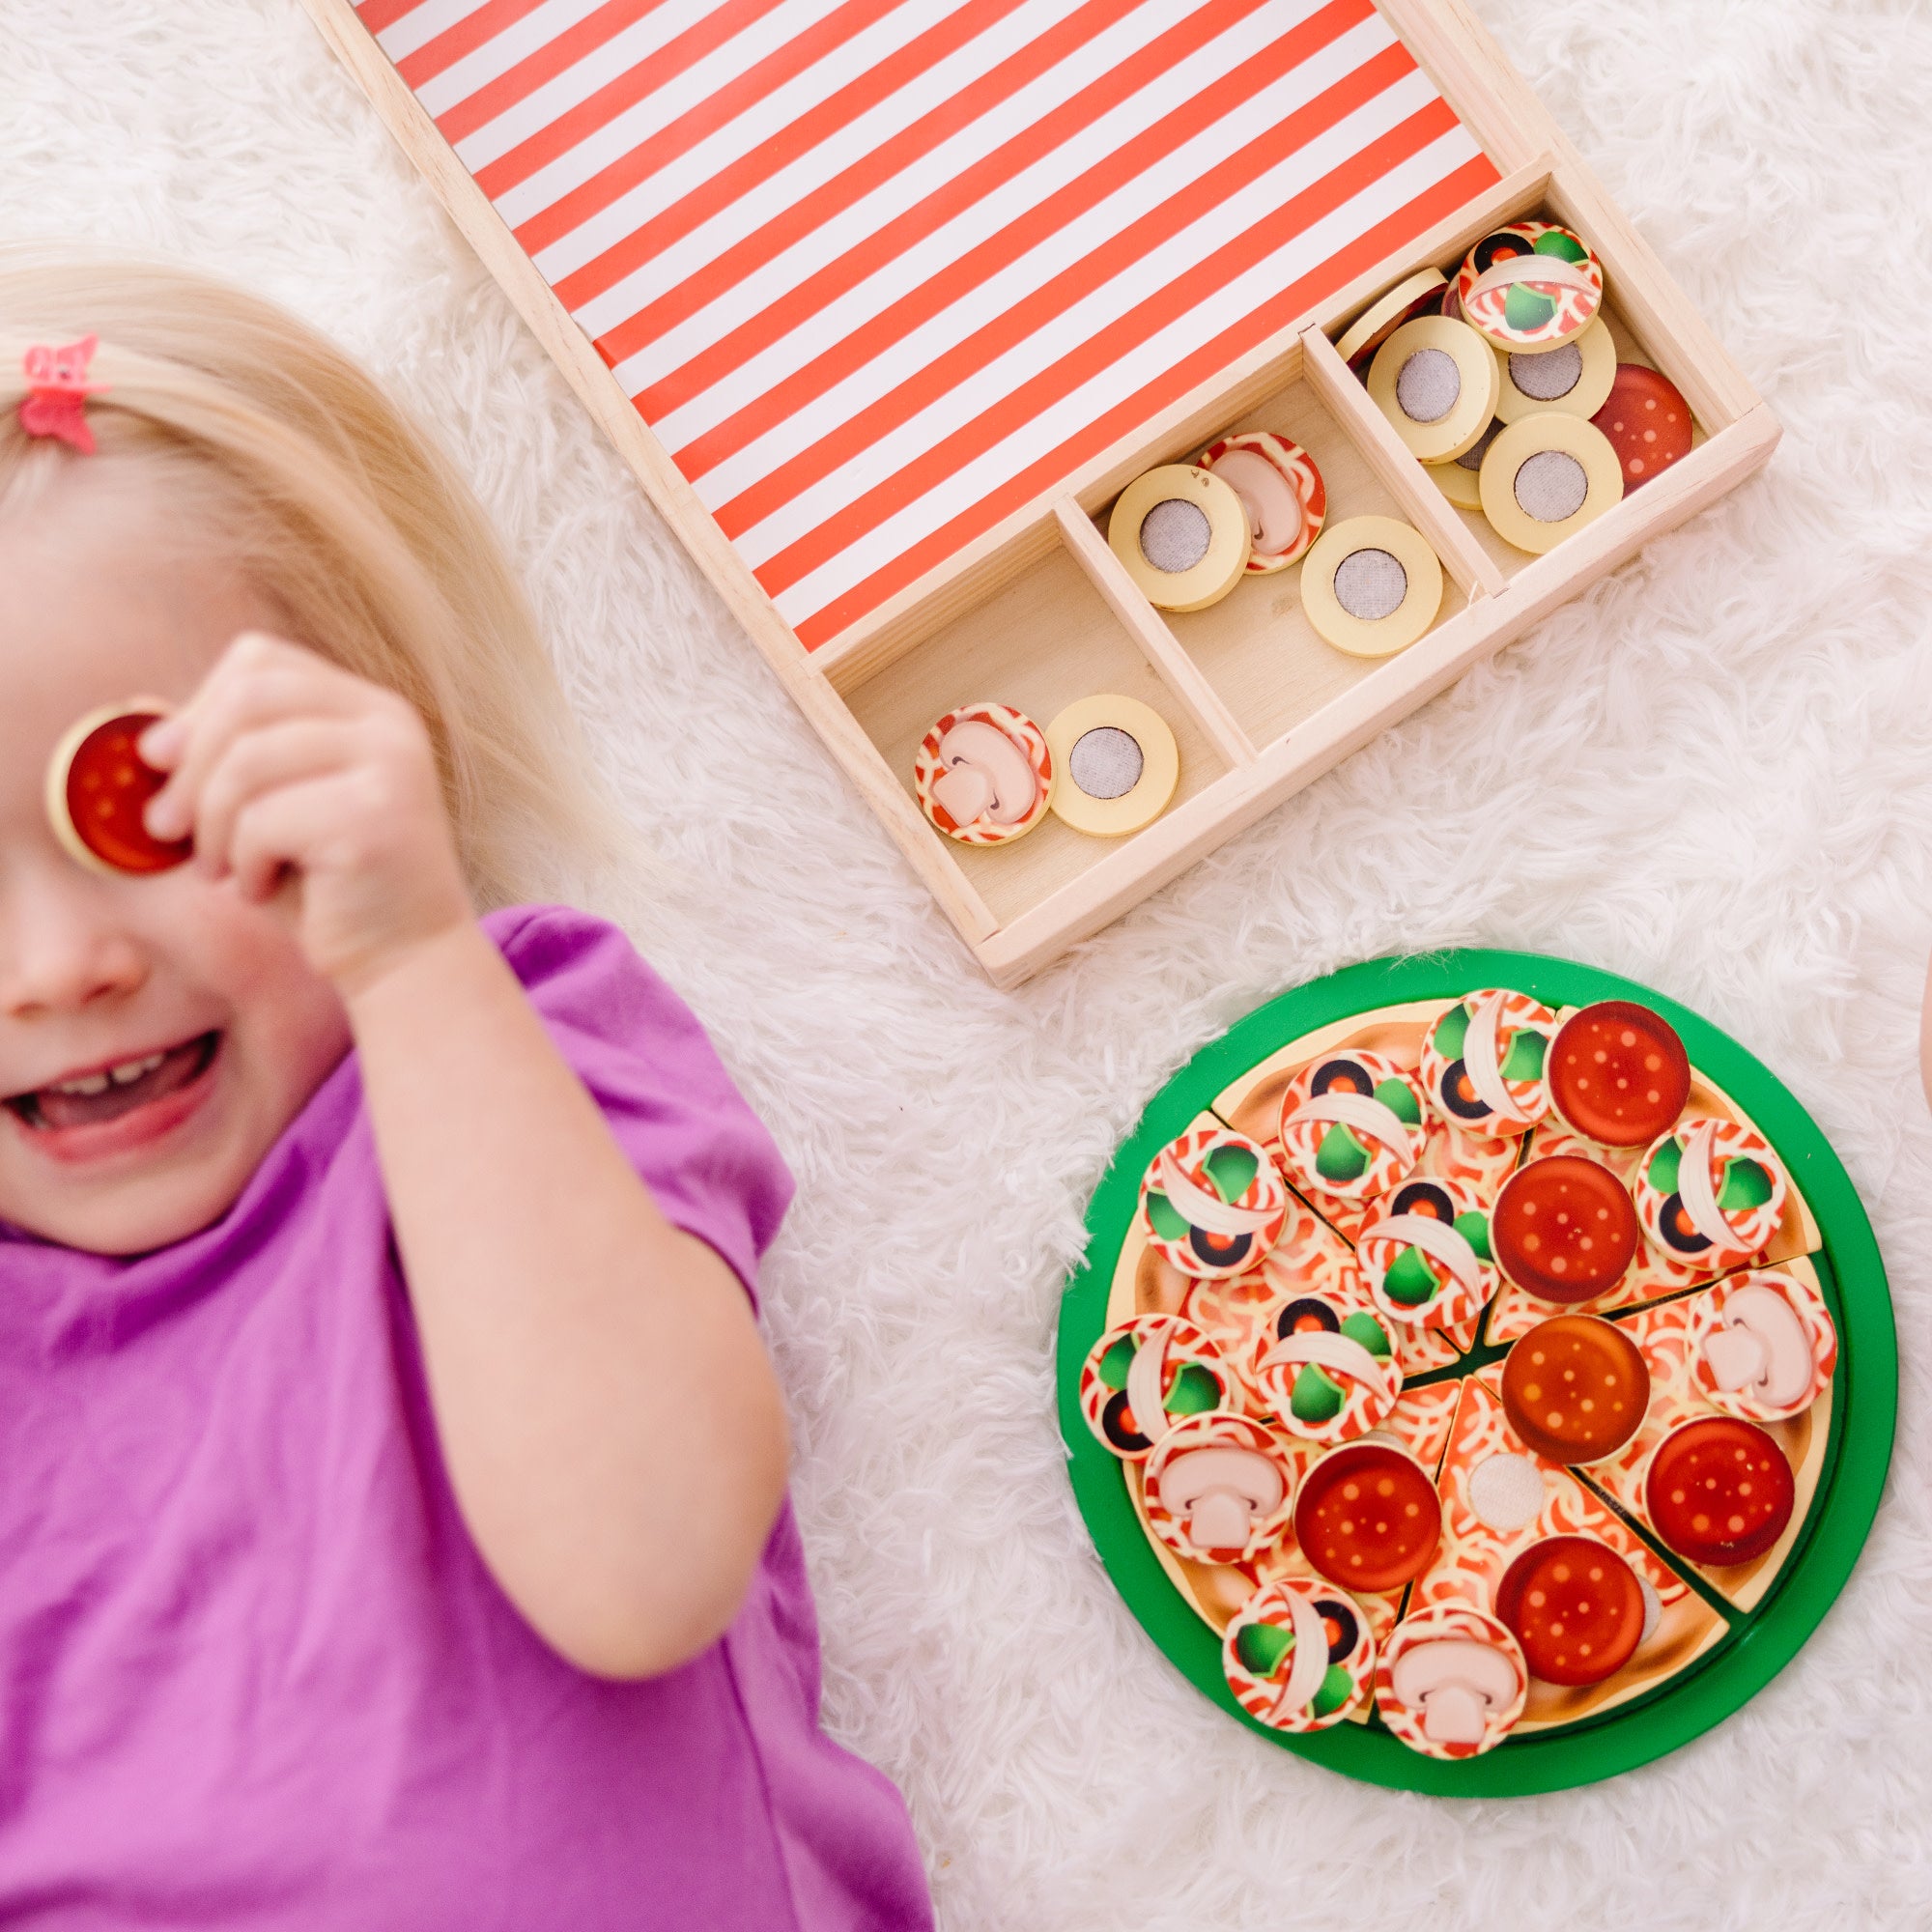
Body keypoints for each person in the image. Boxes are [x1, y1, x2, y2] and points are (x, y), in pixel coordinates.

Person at [0, 252, 931, 1929]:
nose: (56, 966)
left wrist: (415, 953)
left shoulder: (507, 1059)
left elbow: (648, 1564)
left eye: (142, 808)